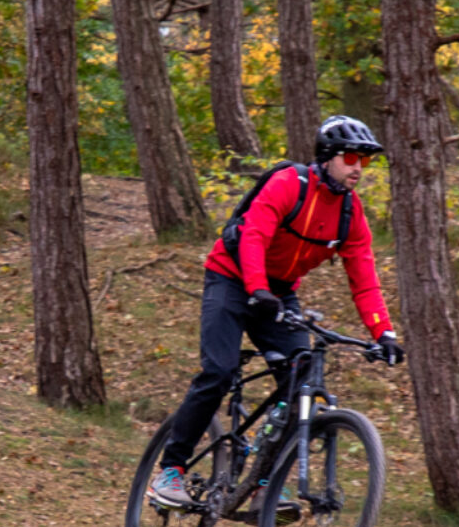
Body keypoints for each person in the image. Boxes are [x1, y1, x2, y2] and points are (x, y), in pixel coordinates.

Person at [150, 115, 405, 507]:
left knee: (300, 380)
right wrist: (256, 288)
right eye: (352, 157)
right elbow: (253, 235)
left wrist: (382, 333)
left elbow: (365, 278)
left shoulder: (351, 214)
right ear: (328, 157)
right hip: (232, 278)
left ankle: (263, 482)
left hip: (279, 292)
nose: (358, 168)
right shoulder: (289, 184)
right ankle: (172, 469)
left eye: (365, 162)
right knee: (218, 372)